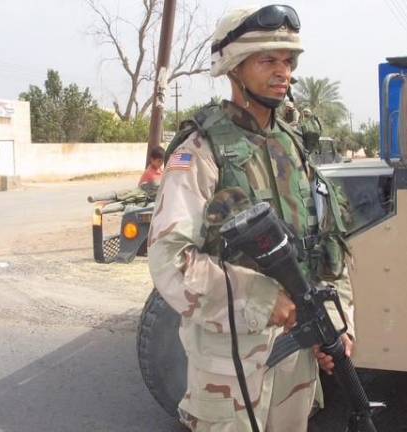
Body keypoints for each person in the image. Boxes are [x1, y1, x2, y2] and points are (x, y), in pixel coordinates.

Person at [148, 5, 355, 431]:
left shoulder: (293, 146)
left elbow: (328, 244)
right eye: (268, 61)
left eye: (288, 62)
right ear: (234, 68)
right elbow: (170, 261)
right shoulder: (201, 151)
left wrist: (338, 321)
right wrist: (264, 300)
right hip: (231, 365)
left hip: (296, 359)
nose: (284, 73)